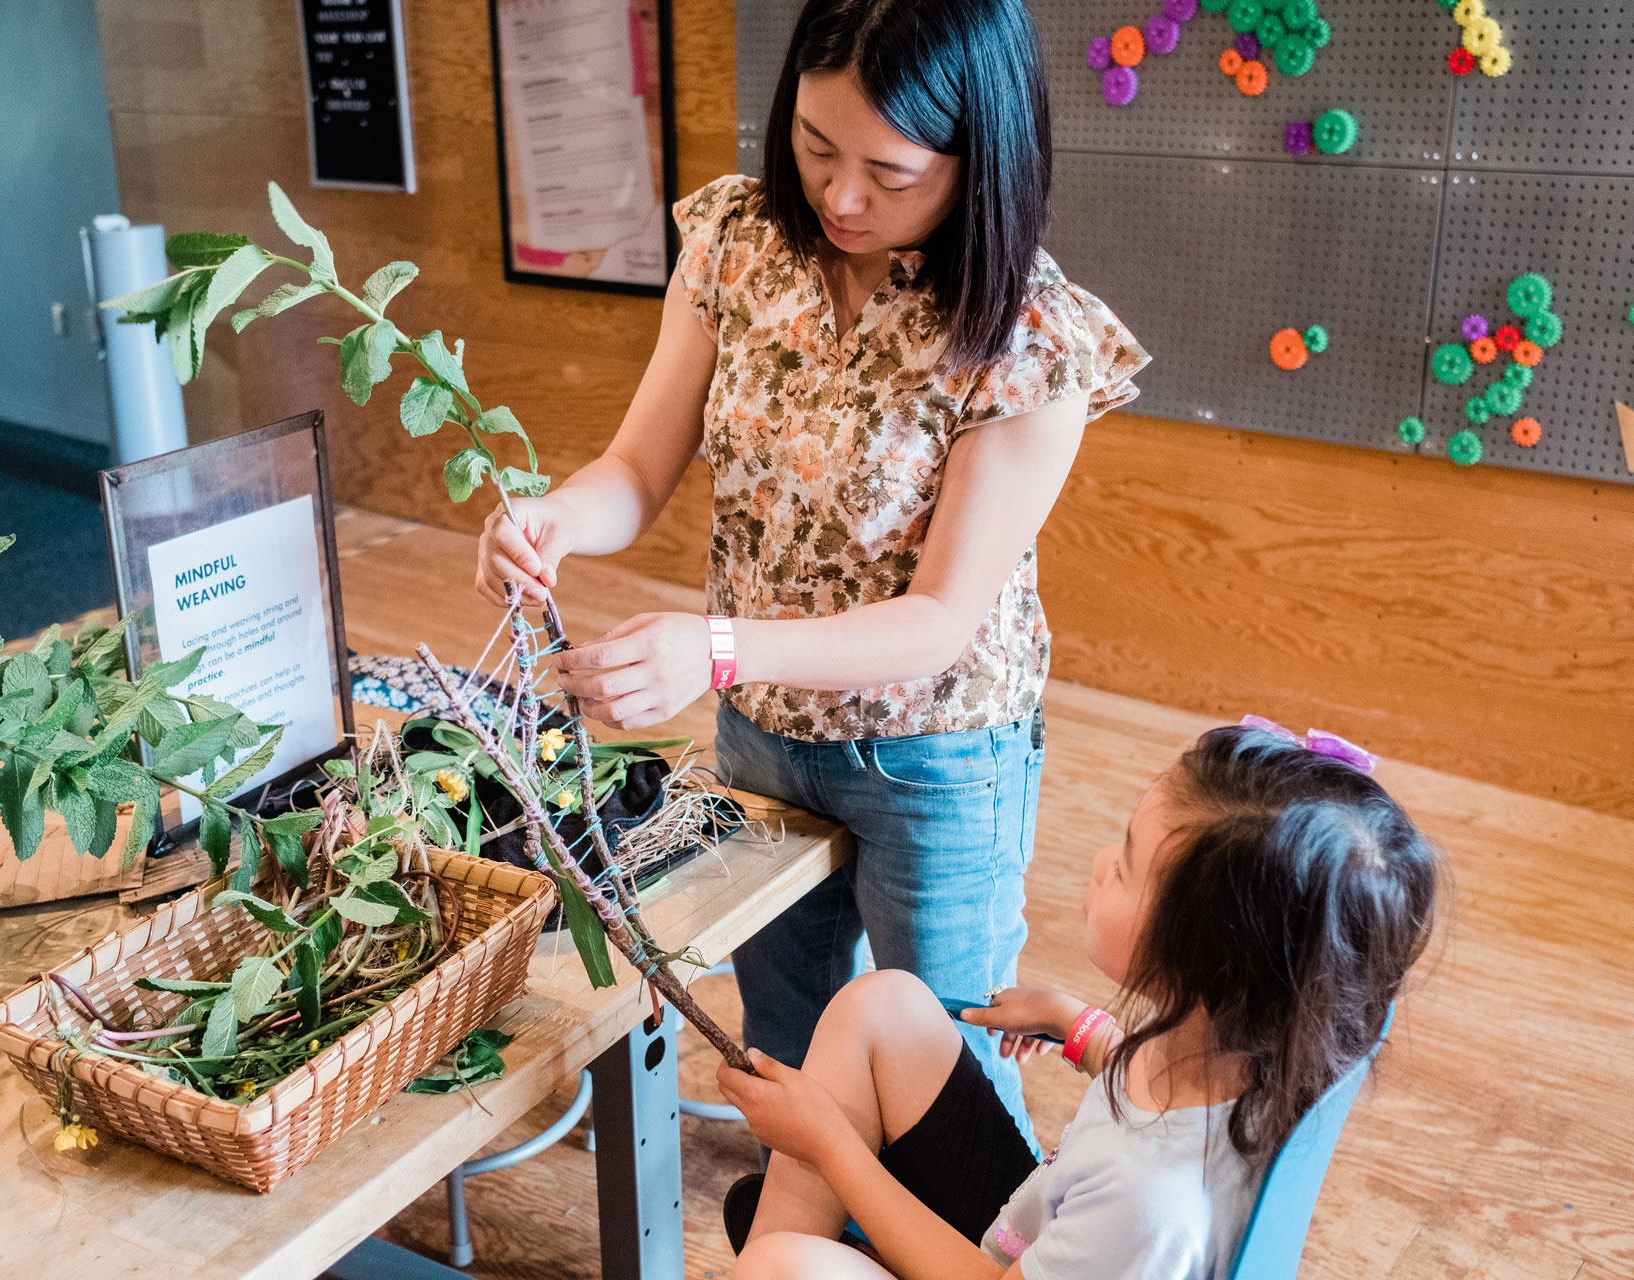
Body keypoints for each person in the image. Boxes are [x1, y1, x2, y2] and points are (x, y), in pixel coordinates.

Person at [474, 0, 1147, 1145]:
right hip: (762, 731)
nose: (840, 198)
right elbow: (638, 465)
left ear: (981, 156)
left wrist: (713, 644)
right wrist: (553, 517)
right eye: (815, 145)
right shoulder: (739, 241)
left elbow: (938, 619)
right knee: (783, 1040)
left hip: (933, 750)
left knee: (944, 1069)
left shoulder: (1030, 332)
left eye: (889, 171)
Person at [713, 719, 1442, 1280]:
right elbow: (1156, 1091)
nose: (1101, 864)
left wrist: (833, 1148)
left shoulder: (1150, 1200)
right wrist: (1081, 1029)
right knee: (883, 1009)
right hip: (1034, 1232)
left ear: (1200, 957)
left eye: (1125, 868)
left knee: (788, 1265)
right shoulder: (1249, 1041)